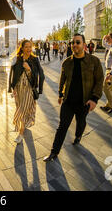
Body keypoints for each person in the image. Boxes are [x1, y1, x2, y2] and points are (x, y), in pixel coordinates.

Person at [43, 34, 103, 162]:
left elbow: (99, 81)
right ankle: (54, 152)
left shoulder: (94, 61)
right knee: (62, 126)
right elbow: (62, 79)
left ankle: (78, 135)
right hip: (68, 101)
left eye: (78, 42)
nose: (74, 45)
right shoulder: (67, 62)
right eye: (73, 42)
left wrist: (94, 99)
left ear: (84, 45)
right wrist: (60, 94)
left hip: (84, 102)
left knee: (81, 122)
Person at [8, 40, 45, 143]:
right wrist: (12, 88)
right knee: (21, 108)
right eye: (26, 47)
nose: (29, 49)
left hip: (29, 88)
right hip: (19, 89)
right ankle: (24, 124)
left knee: (22, 110)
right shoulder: (17, 59)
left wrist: (29, 69)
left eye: (30, 47)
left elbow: (40, 74)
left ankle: (20, 133)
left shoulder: (34, 59)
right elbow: (12, 75)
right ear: (22, 48)